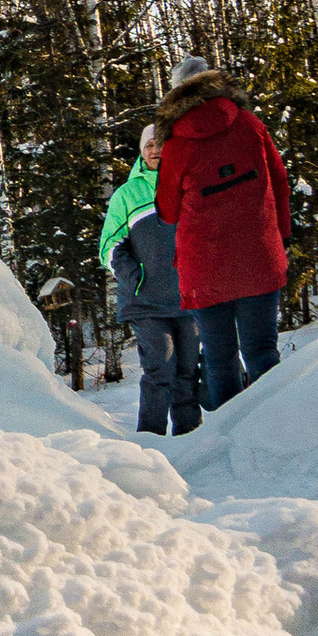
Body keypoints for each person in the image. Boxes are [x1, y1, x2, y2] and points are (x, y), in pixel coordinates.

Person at [154, 53, 293, 411]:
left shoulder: (176, 145)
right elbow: (279, 180)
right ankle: (281, 433)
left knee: (219, 361)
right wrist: (282, 234)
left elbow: (167, 212)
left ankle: (229, 447)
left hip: (205, 268)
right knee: (262, 351)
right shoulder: (249, 123)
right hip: (258, 256)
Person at [100, 121, 201, 437]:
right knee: (161, 368)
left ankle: (190, 438)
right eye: (149, 145)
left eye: (161, 144)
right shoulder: (127, 195)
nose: (155, 150)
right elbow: (109, 246)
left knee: (187, 371)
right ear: (141, 152)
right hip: (146, 302)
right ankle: (151, 440)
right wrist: (134, 277)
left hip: (188, 298)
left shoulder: (188, 185)